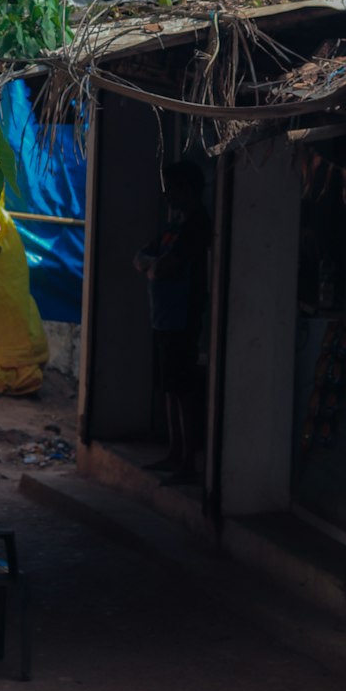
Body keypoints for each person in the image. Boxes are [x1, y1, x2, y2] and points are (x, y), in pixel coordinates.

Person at [134, 161, 210, 482]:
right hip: (164, 317)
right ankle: (175, 452)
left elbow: (163, 267)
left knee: (182, 388)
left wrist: (153, 265)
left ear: (187, 190)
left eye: (173, 188)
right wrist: (154, 265)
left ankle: (187, 460)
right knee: (169, 386)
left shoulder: (196, 225)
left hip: (182, 318)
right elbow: (141, 259)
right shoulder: (174, 224)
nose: (168, 196)